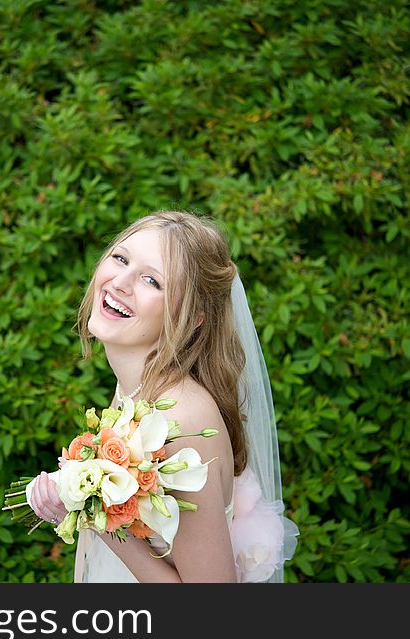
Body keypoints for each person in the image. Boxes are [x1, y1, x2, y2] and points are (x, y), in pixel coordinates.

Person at [28, 210, 298, 582]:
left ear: (194, 318)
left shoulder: (182, 422)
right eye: (120, 258)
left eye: (152, 281)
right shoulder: (136, 385)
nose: (119, 282)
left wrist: (92, 514)